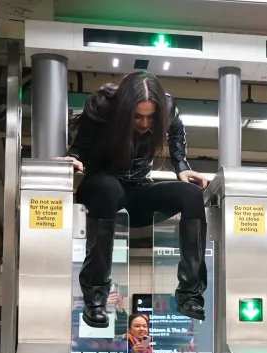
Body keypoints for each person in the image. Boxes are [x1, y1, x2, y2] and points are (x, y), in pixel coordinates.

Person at [61, 71, 209, 327]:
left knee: (192, 194)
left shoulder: (169, 107)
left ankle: (189, 294)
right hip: (100, 188)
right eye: (137, 117)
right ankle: (95, 297)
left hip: (139, 189)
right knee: (108, 188)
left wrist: (181, 166)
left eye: (151, 117)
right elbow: (81, 143)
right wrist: (73, 156)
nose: (144, 123)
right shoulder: (103, 105)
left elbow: (176, 134)